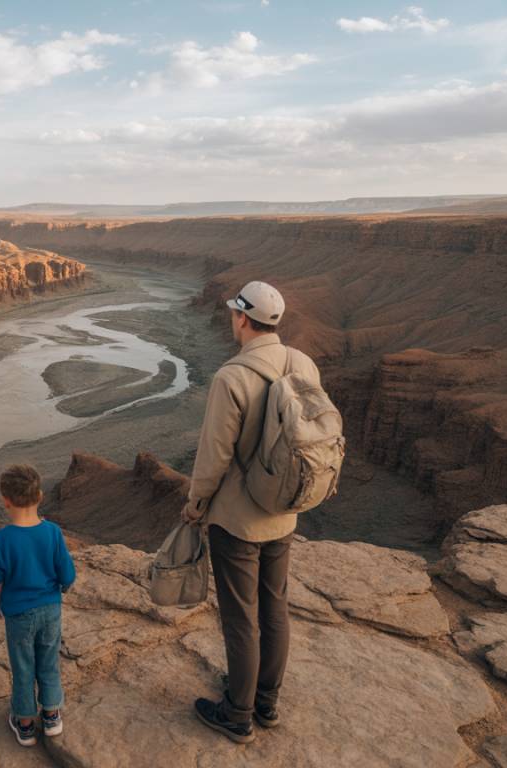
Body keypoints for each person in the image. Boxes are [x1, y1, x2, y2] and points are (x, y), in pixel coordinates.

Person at [183, 280, 323, 744]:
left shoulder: (232, 377)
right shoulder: (303, 363)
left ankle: (237, 713)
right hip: (284, 513)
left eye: (233, 313)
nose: (231, 319)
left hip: (238, 520)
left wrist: (196, 503)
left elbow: (214, 455)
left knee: (241, 618)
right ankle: (266, 700)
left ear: (242, 318)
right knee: (274, 608)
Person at [0, 464, 76, 747]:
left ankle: (24, 723)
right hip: (50, 610)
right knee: (48, 662)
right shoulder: (53, 532)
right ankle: (51, 715)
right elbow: (67, 575)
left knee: (23, 667)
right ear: (40, 496)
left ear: (5, 500)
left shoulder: (0, 540)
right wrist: (60, 588)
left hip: (18, 615)